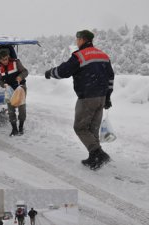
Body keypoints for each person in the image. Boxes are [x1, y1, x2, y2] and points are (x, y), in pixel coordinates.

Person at [45, 30, 115, 170]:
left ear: (82, 39)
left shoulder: (79, 56)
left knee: (80, 127)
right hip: (101, 97)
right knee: (92, 128)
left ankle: (99, 154)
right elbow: (110, 77)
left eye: (77, 39)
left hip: (87, 98)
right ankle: (93, 158)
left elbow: (63, 71)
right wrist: (107, 97)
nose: (76, 41)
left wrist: (50, 72)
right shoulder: (103, 55)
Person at [0, 50, 28, 136]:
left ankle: (21, 127)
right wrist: (4, 85)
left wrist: (20, 77)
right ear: (0, 60)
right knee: (11, 110)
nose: (5, 61)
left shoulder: (16, 62)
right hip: (9, 90)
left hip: (20, 87)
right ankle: (14, 129)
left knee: (22, 109)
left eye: (6, 59)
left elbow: (25, 71)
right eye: (3, 60)